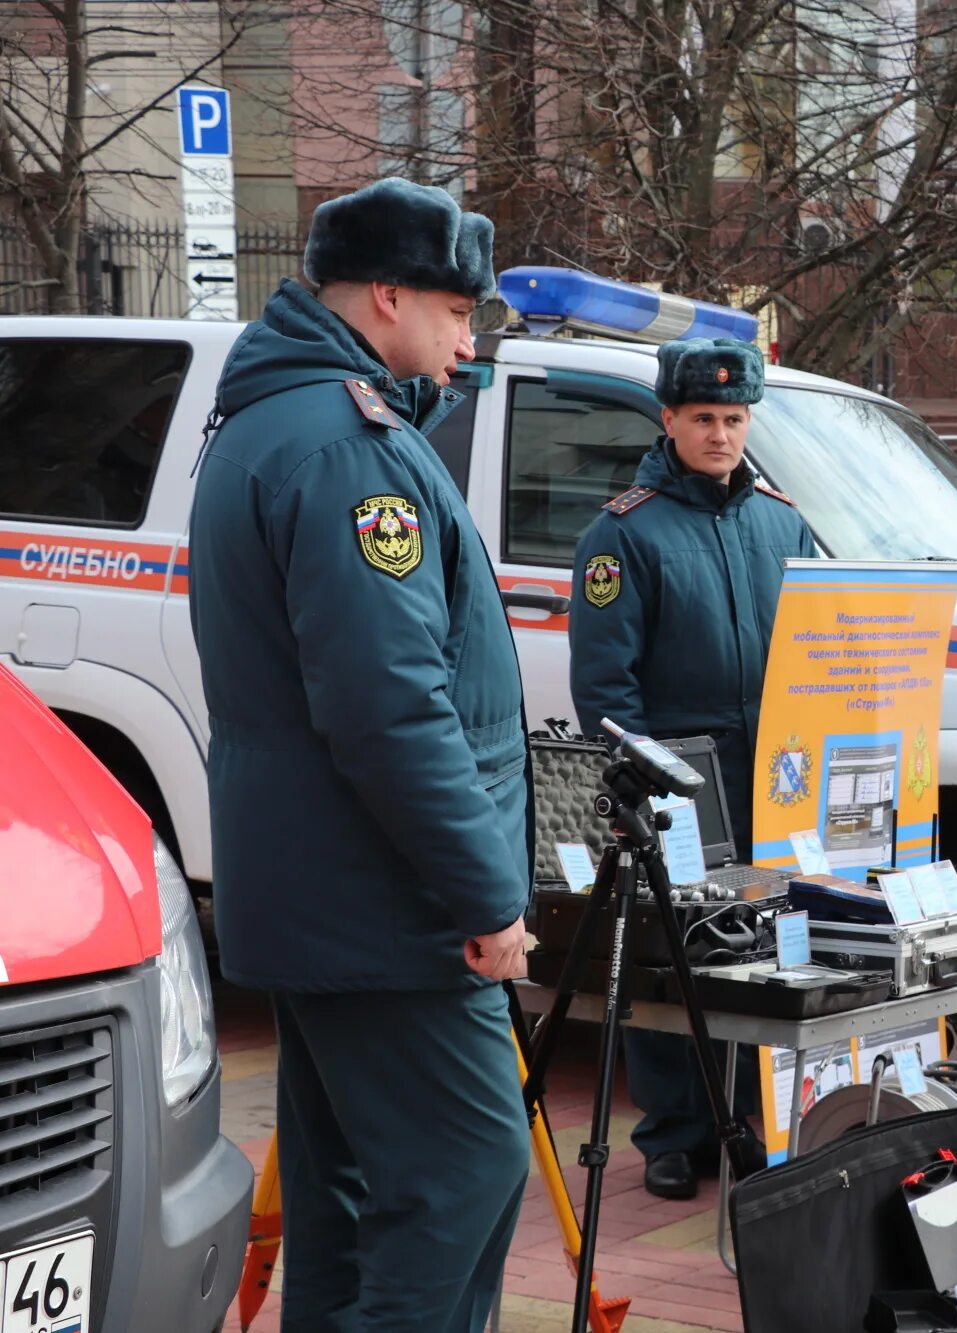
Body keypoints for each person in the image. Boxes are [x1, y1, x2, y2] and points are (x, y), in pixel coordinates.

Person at [188, 178, 530, 1331]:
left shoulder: (276, 419)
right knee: (464, 1175)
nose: (468, 336)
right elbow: (388, 710)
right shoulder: (347, 448)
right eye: (454, 310)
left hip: (325, 896)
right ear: (386, 297)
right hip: (388, 910)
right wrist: (485, 893)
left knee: (344, 1194)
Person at [568, 336, 816, 1198]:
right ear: (668, 419)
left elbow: (824, 648)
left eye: (733, 417)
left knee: (761, 950)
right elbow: (605, 685)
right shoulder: (623, 532)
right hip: (679, 774)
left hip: (774, 771)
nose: (719, 433)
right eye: (702, 417)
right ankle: (674, 1134)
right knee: (674, 957)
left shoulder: (783, 521)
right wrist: (640, 783)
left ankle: (746, 1114)